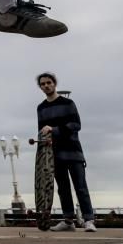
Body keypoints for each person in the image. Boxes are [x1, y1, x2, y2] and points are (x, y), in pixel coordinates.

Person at [36, 72, 96, 232]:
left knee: (81, 187)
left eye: (49, 82)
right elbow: (41, 131)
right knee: (62, 188)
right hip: (54, 154)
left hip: (73, 152)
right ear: (40, 87)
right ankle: (68, 220)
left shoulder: (68, 103)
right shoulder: (40, 108)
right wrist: (44, 141)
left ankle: (88, 220)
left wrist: (54, 130)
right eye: (43, 84)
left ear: (54, 83)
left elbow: (76, 125)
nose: (46, 86)